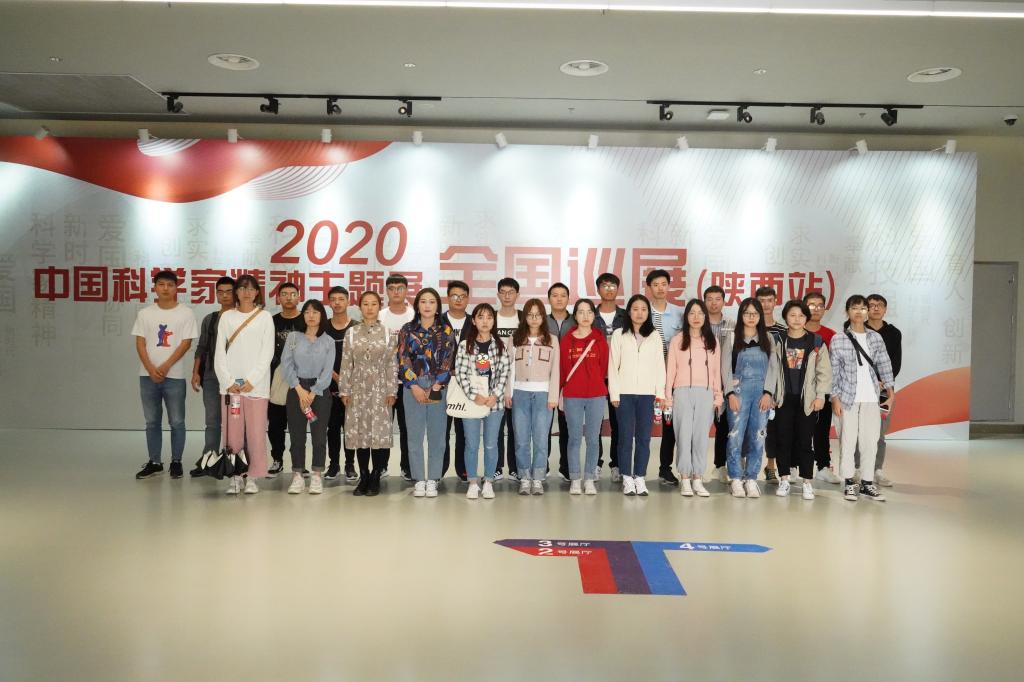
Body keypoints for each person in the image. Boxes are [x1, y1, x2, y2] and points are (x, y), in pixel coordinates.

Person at [133, 270, 199, 480]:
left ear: (176, 288)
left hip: (175, 376)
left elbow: (186, 343)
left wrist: (166, 366)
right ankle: (155, 462)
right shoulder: (145, 313)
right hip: (147, 376)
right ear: (155, 287)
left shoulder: (186, 313)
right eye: (161, 284)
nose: (165, 288)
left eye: (170, 285)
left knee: (177, 421)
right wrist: (151, 368)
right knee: (152, 421)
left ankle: (176, 461)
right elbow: (140, 343)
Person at [213, 274, 275, 494]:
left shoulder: (265, 317)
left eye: (250, 288)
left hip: (256, 387)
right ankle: (235, 475)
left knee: (256, 433)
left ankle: (253, 476)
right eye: (242, 288)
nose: (246, 292)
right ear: (236, 292)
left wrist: (252, 380)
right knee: (233, 435)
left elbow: (267, 352)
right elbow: (219, 352)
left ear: (257, 292)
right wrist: (228, 381)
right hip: (232, 388)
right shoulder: (227, 317)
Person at [831, 295, 895, 502]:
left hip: (871, 398)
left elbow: (884, 364)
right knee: (848, 441)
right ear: (847, 311)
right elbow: (834, 372)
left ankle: (867, 482)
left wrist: (890, 391)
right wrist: (835, 398)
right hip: (847, 397)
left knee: (870, 441)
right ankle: (849, 482)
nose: (859, 312)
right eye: (854, 308)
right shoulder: (838, 339)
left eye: (862, 308)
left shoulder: (875, 338)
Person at [338, 291, 398, 497]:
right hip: (357, 389)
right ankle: (363, 476)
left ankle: (375, 476)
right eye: (366, 304)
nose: (370, 308)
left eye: (374, 304)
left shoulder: (388, 333)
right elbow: (346, 363)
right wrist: (344, 390)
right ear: (359, 307)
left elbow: (392, 364)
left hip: (381, 389)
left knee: (379, 434)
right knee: (360, 433)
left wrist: (392, 390)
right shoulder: (351, 333)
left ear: (379, 307)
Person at [720, 298, 781, 498]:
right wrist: (729, 393)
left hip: (761, 395)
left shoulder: (768, 338)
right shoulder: (731, 337)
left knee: (758, 436)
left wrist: (768, 393)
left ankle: (752, 478)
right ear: (741, 315)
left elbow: (773, 367)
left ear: (760, 316)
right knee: (735, 436)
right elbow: (725, 367)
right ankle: (736, 478)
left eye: (755, 313)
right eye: (747, 313)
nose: (751, 317)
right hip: (738, 394)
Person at [398, 288, 456, 498]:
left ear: (438, 306)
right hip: (412, 387)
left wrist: (437, 385)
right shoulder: (407, 329)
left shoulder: (446, 331)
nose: (427, 305)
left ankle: (433, 479)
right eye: (423, 301)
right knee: (414, 436)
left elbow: (449, 360)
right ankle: (419, 479)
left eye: (432, 301)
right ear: (417, 305)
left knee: (437, 436)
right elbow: (402, 359)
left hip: (437, 386)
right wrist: (413, 385)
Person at [773, 299, 832, 500]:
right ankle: (784, 479)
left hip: (807, 401)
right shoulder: (777, 340)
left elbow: (824, 372)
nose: (797, 319)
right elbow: (771, 369)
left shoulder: (816, 342)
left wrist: (821, 396)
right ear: (785, 317)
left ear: (806, 318)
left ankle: (807, 482)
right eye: (792, 315)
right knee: (783, 440)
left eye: (801, 315)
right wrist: (772, 394)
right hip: (783, 399)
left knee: (806, 441)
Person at [608, 294, 665, 496]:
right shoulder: (619, 334)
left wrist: (660, 393)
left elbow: (660, 366)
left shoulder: (655, 335)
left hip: (647, 395)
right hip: (624, 394)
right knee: (624, 437)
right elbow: (613, 366)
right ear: (629, 312)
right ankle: (626, 477)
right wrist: (614, 393)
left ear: (648, 313)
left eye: (643, 309)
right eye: (635, 309)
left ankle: (639, 476)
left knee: (644, 438)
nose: (639, 313)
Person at [665, 299, 723, 497]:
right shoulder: (677, 340)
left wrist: (718, 396)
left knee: (700, 438)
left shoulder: (712, 341)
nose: (696, 317)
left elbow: (716, 371)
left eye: (700, 313)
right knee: (683, 436)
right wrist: (668, 397)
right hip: (682, 393)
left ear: (705, 317)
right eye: (692, 313)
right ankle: (685, 478)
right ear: (686, 317)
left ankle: (698, 478)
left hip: (705, 394)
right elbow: (670, 371)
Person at [454, 303, 511, 500]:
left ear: (494, 321)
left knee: (491, 444)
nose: (485, 321)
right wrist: (474, 395)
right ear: (473, 321)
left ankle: (488, 481)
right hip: (472, 403)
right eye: (480, 317)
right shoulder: (465, 346)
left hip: (494, 403)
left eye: (489, 317)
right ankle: (472, 482)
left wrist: (495, 395)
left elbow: (504, 373)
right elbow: (460, 374)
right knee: (471, 444)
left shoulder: (500, 345)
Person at [280, 300, 336, 495]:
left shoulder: (328, 341)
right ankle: (297, 475)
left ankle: (317, 475)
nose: (311, 316)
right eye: (307, 312)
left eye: (315, 312)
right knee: (297, 435)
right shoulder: (293, 337)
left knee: (319, 436)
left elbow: (328, 371)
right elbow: (286, 364)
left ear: (322, 315)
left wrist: (313, 392)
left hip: (320, 393)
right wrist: (299, 388)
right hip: (296, 390)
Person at [510, 298, 560, 495]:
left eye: (537, 315)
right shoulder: (515, 338)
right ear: (524, 317)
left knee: (540, 439)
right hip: (519, 394)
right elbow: (509, 369)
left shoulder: (552, 340)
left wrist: (553, 396)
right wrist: (508, 393)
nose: (533, 318)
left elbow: (555, 370)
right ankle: (524, 477)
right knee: (521, 439)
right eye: (530, 315)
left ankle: (538, 477)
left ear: (543, 317)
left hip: (543, 395)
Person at [560, 299, 609, 495]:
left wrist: (594, 381)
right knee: (574, 438)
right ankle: (575, 478)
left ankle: (589, 478)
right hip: (573, 395)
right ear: (575, 316)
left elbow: (603, 368)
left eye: (589, 312)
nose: (585, 316)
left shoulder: (599, 340)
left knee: (592, 438)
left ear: (593, 315)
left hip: (596, 395)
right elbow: (564, 370)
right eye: (581, 312)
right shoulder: (567, 341)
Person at [189, 275, 235, 476]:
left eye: (229, 292)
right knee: (212, 420)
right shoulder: (210, 319)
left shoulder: (241, 317)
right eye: (220, 292)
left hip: (235, 378)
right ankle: (209, 459)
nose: (224, 296)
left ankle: (235, 460)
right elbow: (201, 348)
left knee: (235, 420)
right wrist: (195, 372)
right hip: (211, 376)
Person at [863, 293, 902, 486]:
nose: (876, 308)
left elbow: (895, 363)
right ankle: (858, 469)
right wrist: (871, 380)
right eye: (871, 305)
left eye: (880, 305)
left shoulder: (894, 333)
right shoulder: (857, 330)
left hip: (885, 390)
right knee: (860, 429)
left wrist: (883, 381)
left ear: (885, 309)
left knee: (879, 431)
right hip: (861, 387)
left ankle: (877, 470)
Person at [803, 290, 841, 485]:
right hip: (798, 391)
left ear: (825, 309)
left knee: (822, 430)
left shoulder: (831, 335)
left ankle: (823, 467)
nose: (815, 309)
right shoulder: (794, 330)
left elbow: (835, 367)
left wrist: (832, 394)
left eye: (820, 306)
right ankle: (793, 466)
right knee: (797, 430)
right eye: (811, 305)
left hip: (822, 391)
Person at [593, 272, 628, 482]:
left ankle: (617, 464)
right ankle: (595, 464)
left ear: (618, 289)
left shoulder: (626, 316)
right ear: (598, 289)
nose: (609, 289)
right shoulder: (590, 314)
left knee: (619, 423)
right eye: (605, 285)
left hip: (620, 376)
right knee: (595, 423)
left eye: (613, 285)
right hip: (595, 376)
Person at [267, 281, 303, 478]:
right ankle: (277, 459)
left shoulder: (306, 320)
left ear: (299, 297)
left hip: (301, 378)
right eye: (285, 294)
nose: (289, 298)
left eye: (293, 294)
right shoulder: (270, 321)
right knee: (276, 423)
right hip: (276, 378)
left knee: (298, 425)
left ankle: (299, 462)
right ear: (278, 298)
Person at [380, 274, 414, 480]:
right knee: (383, 426)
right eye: (391, 288)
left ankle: (407, 467)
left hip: (408, 382)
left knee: (407, 427)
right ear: (387, 291)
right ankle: (381, 466)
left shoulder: (413, 315)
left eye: (400, 288)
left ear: (406, 290)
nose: (395, 292)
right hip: (384, 381)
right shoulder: (380, 316)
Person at [324, 286, 358, 483]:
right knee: (333, 427)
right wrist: (335, 377)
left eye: (341, 299)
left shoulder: (356, 327)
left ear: (348, 301)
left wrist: (347, 380)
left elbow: (361, 358)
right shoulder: (323, 327)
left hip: (353, 387)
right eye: (333, 299)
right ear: (329, 302)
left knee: (351, 428)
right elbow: (319, 356)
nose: (337, 302)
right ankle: (334, 464)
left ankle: (350, 465)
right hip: (328, 386)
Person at [493, 277, 524, 481]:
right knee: (495, 427)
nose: (506, 296)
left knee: (516, 427)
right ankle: (496, 467)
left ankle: (514, 467)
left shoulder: (523, 318)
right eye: (503, 292)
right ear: (498, 295)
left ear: (517, 295)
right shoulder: (491, 317)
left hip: (517, 380)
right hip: (494, 380)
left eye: (511, 292)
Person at [705, 285, 736, 484]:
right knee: (701, 426)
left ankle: (720, 466)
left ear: (724, 301)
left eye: (718, 299)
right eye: (709, 299)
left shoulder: (733, 324)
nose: (713, 303)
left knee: (724, 426)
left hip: (726, 381)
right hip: (703, 381)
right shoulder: (698, 322)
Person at [756, 285, 786, 484]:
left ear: (775, 302)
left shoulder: (783, 331)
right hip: (753, 385)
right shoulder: (750, 327)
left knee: (774, 430)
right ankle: (745, 467)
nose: (765, 305)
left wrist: (776, 391)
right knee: (751, 429)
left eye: (769, 300)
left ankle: (771, 467)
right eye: (761, 301)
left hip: (775, 387)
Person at [442, 280, 472, 482]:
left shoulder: (474, 322)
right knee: (441, 430)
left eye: (462, 296)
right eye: (454, 296)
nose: (458, 299)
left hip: (466, 385)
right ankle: (440, 469)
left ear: (468, 299)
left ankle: (463, 469)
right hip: (442, 383)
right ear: (448, 298)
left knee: (464, 430)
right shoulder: (438, 321)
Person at [546, 282, 575, 481]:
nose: (559, 299)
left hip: (569, 381)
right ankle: (544, 465)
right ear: (549, 299)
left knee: (567, 426)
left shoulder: (576, 321)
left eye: (563, 295)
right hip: (546, 380)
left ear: (568, 298)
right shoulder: (542, 321)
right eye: (554, 295)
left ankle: (566, 466)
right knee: (544, 426)